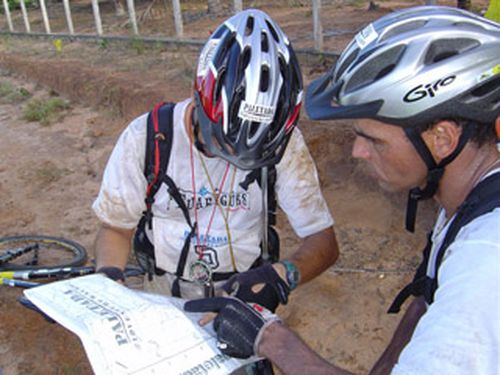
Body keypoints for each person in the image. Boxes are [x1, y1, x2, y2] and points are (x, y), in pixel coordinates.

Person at [185, 6, 500, 374]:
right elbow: (425, 301)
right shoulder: (469, 204)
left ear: (442, 138)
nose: (357, 152)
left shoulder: (484, 260)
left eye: (373, 140)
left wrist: (272, 340)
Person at [92, 9, 338, 314]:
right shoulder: (147, 138)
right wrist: (109, 280)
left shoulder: (286, 144)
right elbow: (116, 227)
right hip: (163, 292)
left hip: (244, 295)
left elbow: (323, 242)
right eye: (223, 144)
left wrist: (281, 276)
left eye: (257, 153)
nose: (237, 161)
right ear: (199, 103)